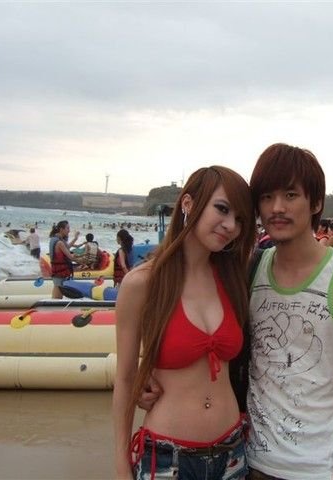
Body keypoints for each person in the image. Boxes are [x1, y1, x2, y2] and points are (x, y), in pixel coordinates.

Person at [140, 144, 333, 479]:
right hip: (246, 461)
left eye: (291, 195)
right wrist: (146, 372)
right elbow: (191, 310)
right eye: (267, 197)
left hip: (320, 467)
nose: (277, 208)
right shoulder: (247, 270)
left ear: (316, 203)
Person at [113, 166, 255, 480]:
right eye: (222, 209)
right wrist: (122, 465)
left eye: (240, 219)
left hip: (232, 454)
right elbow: (124, 379)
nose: (231, 225)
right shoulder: (142, 284)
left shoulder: (233, 280)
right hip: (168, 458)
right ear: (188, 203)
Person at [49, 221, 79, 299]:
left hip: (57, 271)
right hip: (59, 272)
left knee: (57, 291)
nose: (69, 230)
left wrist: (75, 238)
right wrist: (81, 259)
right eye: (67, 228)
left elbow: (67, 247)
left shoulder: (54, 239)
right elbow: (71, 257)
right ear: (61, 229)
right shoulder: (60, 242)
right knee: (58, 296)